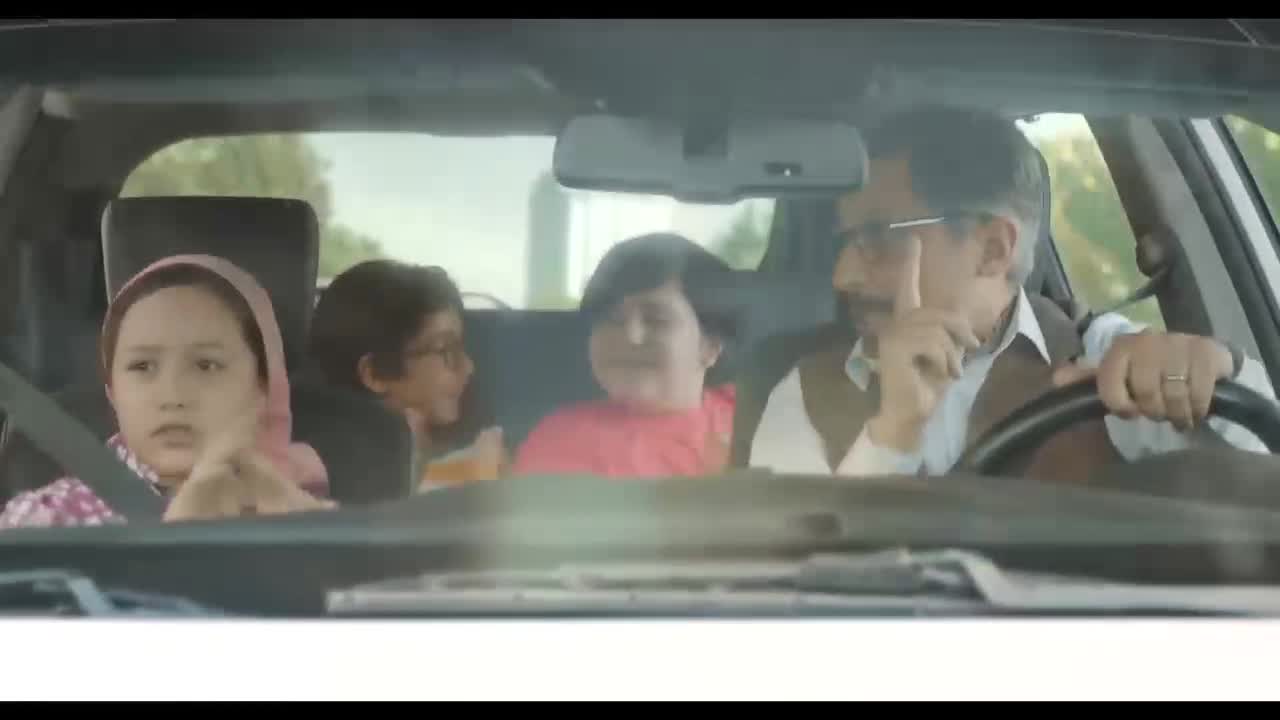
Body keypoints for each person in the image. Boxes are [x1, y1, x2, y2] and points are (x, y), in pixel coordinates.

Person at [748, 105, 1274, 481]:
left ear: (993, 248)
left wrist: (1215, 370)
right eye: (844, 243)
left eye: (877, 238)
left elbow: (1257, 495)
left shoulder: (1105, 363)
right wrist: (892, 434)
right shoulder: (806, 391)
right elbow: (781, 586)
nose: (843, 276)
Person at [0, 254, 331, 528]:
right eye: (142, 366)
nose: (172, 396)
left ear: (264, 388)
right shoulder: (45, 522)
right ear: (113, 392)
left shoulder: (326, 522)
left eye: (206, 366)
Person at [512, 232, 737, 479]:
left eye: (656, 320)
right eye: (611, 319)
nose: (631, 336)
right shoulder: (561, 442)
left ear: (710, 346)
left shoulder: (752, 411)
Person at [308, 259, 503, 488]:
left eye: (461, 347)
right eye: (445, 350)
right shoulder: (330, 471)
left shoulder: (483, 451)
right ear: (374, 374)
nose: (468, 366)